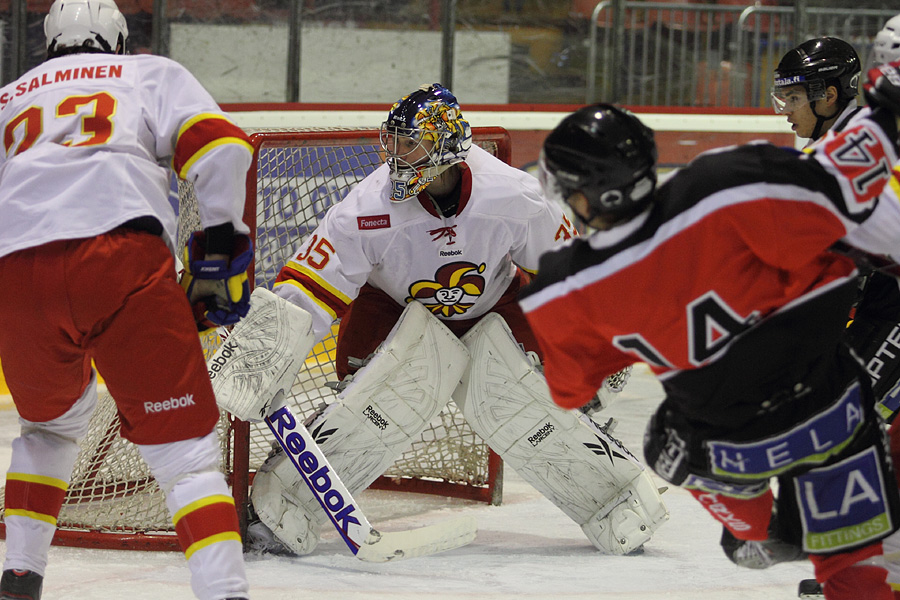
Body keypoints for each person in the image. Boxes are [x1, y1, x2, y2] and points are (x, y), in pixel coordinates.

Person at [519, 59, 900, 600]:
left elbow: (569, 391)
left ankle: (755, 530)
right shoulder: (722, 184)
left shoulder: (563, 288)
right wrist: (887, 110)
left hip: (735, 444)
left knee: (666, 440)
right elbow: (844, 182)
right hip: (832, 410)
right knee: (853, 567)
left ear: (589, 197)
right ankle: (848, 557)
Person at [245, 83, 668, 558]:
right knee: (366, 411)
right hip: (391, 309)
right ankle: (280, 508)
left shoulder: (513, 194)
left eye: (412, 143)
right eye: (395, 141)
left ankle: (617, 498)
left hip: (493, 305)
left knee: (536, 404)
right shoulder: (367, 209)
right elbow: (311, 284)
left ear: (446, 147)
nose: (397, 155)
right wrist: (267, 352)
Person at [0, 1, 254, 599]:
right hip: (119, 258)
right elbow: (222, 148)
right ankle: (225, 593)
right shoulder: (145, 72)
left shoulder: (10, 95)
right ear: (117, 37)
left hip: (18, 274)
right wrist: (220, 236)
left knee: (47, 427)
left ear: (47, 44)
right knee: (185, 454)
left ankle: (19, 577)